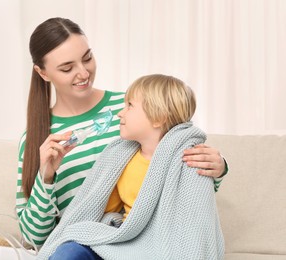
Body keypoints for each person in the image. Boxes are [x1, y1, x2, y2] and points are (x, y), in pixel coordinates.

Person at [15, 17, 227, 251]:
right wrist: (46, 176)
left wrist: (217, 167)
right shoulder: (38, 139)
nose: (84, 73)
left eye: (87, 58)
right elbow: (34, 238)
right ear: (43, 73)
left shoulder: (135, 109)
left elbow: (180, 164)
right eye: (67, 68)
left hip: (145, 241)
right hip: (84, 245)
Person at [38, 74, 224, 260]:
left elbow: (196, 225)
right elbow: (95, 209)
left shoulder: (189, 160)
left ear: (158, 117)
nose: (121, 112)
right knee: (70, 251)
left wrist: (221, 168)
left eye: (130, 106)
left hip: (157, 248)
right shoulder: (120, 157)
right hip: (123, 242)